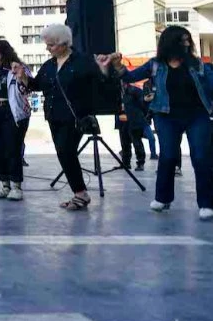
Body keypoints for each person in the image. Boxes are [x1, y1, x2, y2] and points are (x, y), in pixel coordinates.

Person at [108, 25, 213, 221]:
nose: (187, 43)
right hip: (165, 116)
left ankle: (207, 203)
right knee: (168, 156)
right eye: (183, 40)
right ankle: (163, 199)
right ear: (170, 43)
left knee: (201, 157)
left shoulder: (197, 64)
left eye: (188, 40)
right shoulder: (155, 65)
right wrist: (117, 65)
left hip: (197, 116)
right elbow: (130, 77)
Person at [13, 24, 111, 211]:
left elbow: (102, 82)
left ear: (64, 44)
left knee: (66, 151)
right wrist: (23, 76)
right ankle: (79, 193)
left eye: (51, 45)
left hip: (75, 117)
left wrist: (104, 70)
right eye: (47, 45)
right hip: (54, 115)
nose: (47, 48)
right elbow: (36, 85)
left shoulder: (82, 61)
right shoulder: (49, 65)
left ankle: (80, 193)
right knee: (64, 153)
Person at [0, 40, 31, 201]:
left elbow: (29, 86)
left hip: (13, 113)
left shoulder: (17, 67)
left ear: (5, 53)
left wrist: (21, 75)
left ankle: (16, 186)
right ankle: (5, 184)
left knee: (12, 149)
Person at [115, 81, 147, 172]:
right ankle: (126, 163)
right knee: (124, 143)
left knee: (137, 142)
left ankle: (140, 163)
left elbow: (144, 105)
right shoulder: (116, 92)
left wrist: (142, 117)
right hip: (122, 121)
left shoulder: (135, 91)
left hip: (134, 120)